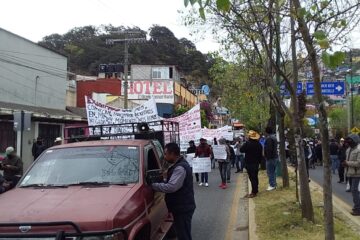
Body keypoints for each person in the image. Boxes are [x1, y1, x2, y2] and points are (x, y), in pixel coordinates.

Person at [152, 143, 196, 240]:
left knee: (184, 236)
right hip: (181, 206)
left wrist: (153, 185)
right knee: (181, 233)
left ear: (172, 154)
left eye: (166, 154)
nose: (164, 156)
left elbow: (171, 187)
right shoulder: (178, 165)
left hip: (183, 208)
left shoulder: (180, 168)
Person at [240, 130, 262, 198]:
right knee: (255, 176)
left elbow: (241, 150)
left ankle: (254, 192)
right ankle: (256, 190)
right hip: (256, 163)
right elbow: (260, 154)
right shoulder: (259, 144)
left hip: (249, 163)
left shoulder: (247, 143)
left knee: (252, 178)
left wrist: (246, 142)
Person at [342, 134, 360, 216]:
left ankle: (358, 208)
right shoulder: (349, 149)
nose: (348, 143)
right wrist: (345, 163)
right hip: (349, 173)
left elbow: (359, 163)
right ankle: (357, 207)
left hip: (357, 173)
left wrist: (347, 163)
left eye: (350, 141)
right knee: (353, 191)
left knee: (354, 190)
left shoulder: (359, 149)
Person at [264, 126, 278, 191]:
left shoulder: (269, 138)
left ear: (266, 132)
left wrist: (267, 157)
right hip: (274, 157)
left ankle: (272, 185)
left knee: (270, 172)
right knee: (273, 172)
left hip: (270, 158)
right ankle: (274, 184)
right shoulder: (274, 137)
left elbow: (268, 149)